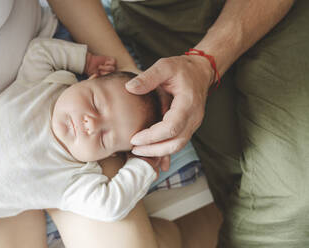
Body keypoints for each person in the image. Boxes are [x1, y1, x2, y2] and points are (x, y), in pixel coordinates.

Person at [0, 1, 181, 248]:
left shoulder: (73, 178)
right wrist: (84, 61)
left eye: (105, 137)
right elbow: (41, 52)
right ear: (87, 81)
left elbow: (109, 206)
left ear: (114, 153)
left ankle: (173, 234)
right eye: (94, 104)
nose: (91, 124)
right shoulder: (44, 87)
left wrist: (144, 163)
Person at [109, 0, 309, 247]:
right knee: (255, 181)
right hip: (162, 18)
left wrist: (204, 63)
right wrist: (127, 74)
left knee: (297, 195)